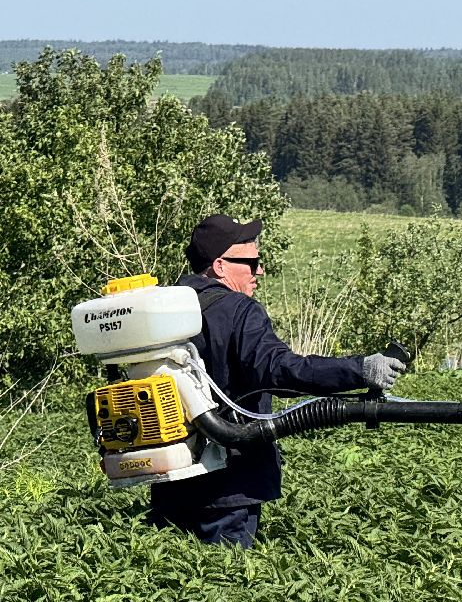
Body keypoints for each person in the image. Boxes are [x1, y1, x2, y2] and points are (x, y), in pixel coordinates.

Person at [146, 214, 406, 548]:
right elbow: (279, 370)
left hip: (170, 479)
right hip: (229, 484)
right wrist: (360, 369)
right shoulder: (238, 310)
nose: (260, 271)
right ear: (220, 266)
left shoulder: (160, 310)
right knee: (224, 576)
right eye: (252, 263)